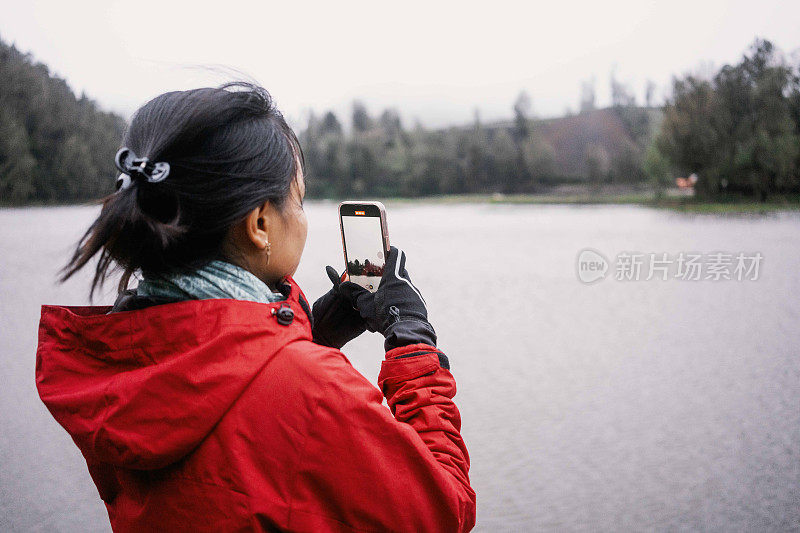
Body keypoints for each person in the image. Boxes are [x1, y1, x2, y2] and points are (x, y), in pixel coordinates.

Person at [35, 82, 476, 532]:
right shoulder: (312, 390)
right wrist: (412, 340)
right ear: (260, 223)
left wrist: (309, 329)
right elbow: (444, 511)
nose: (302, 220)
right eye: (299, 200)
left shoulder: (120, 359)